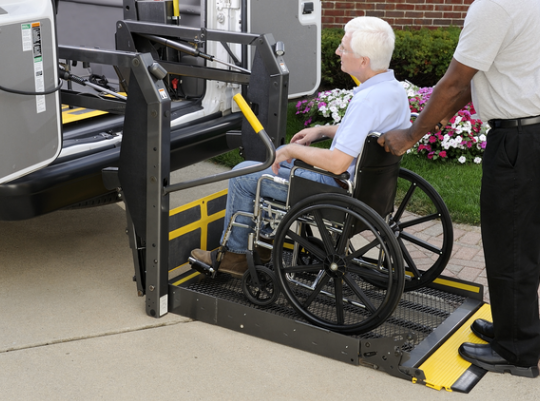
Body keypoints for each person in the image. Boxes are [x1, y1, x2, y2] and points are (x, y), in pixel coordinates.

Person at [378, 0, 540, 378]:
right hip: (532, 132)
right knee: (523, 240)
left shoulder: (493, 6)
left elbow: (456, 80)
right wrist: (444, 109)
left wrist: (411, 134)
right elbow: (483, 75)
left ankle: (517, 352)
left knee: (510, 243)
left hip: (518, 139)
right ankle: (515, 328)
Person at [191, 16, 411, 277]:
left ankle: (236, 256)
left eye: (344, 48)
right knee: (275, 166)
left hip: (336, 189)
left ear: (363, 60)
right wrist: (321, 130)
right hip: (368, 190)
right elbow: (365, 134)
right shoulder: (393, 90)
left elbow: (338, 163)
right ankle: (260, 246)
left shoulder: (366, 100)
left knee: (244, 174)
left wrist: (291, 150)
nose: (338, 52)